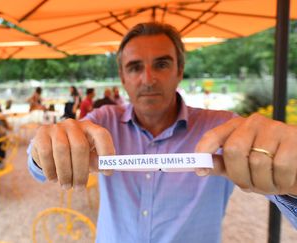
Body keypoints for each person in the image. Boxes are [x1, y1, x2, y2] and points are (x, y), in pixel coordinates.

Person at [28, 22, 297, 242]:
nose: (148, 78)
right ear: (122, 77)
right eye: (135, 67)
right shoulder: (101, 121)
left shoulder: (224, 129)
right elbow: (36, 167)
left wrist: (291, 181)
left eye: (161, 64)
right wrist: (45, 148)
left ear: (180, 70)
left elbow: (285, 191)